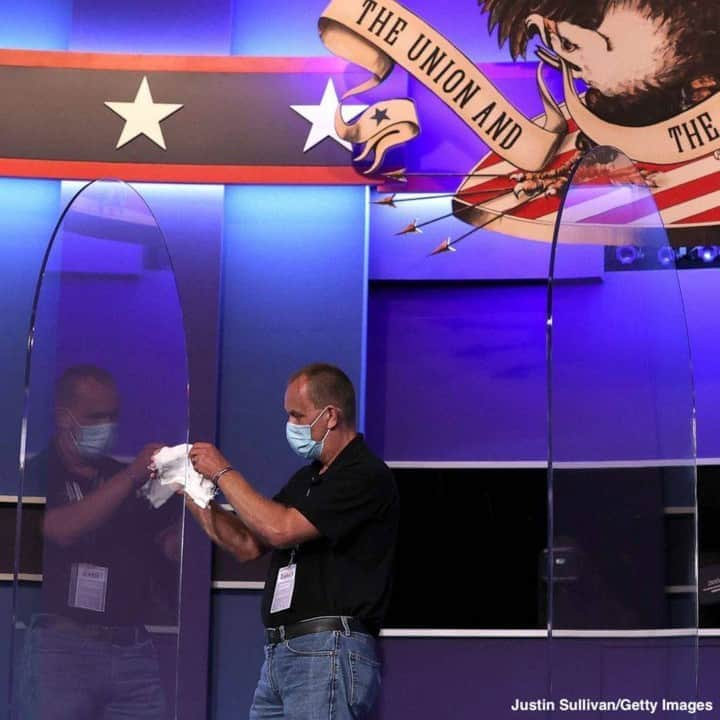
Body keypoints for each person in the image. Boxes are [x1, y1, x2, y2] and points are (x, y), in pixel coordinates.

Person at [187, 362, 399, 720]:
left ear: (330, 416)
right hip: (281, 653)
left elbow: (281, 529)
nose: (290, 426)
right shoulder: (306, 479)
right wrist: (190, 490)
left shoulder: (364, 474)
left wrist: (222, 471)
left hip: (327, 650)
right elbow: (246, 543)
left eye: (297, 415)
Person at [19, 365, 181, 720]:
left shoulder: (117, 475)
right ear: (64, 418)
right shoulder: (38, 472)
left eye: (112, 416)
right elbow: (60, 528)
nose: (106, 426)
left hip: (132, 651)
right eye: (95, 417)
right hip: (61, 651)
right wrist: (132, 476)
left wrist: (190, 498)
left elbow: (166, 547)